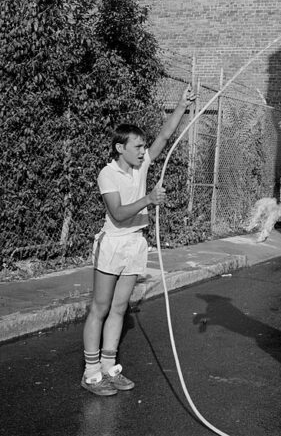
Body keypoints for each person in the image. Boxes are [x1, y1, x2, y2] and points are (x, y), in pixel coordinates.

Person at [80, 86, 196, 396]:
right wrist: (149, 199)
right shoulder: (108, 175)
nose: (145, 152)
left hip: (135, 243)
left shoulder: (140, 165)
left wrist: (182, 105)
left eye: (144, 147)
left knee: (120, 308)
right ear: (120, 148)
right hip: (113, 243)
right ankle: (91, 372)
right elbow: (117, 213)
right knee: (100, 307)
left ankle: (108, 367)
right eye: (138, 147)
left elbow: (164, 136)